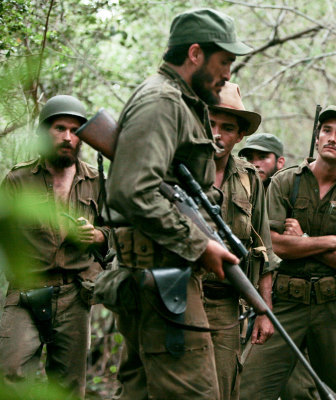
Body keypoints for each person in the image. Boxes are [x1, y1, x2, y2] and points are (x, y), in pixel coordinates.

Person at [105, 8, 251, 399]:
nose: (227, 75)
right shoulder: (163, 101)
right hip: (161, 278)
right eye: (225, 62)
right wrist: (200, 244)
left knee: (141, 390)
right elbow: (132, 190)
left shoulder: (183, 102)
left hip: (163, 276)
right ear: (195, 54)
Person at [240, 105, 336, 399]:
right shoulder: (286, 181)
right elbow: (275, 245)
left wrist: (302, 241)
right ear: (317, 137)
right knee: (249, 387)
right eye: (326, 130)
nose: (331, 138)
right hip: (286, 303)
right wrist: (330, 242)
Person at [0, 95, 108, 398]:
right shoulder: (19, 179)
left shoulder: (97, 181)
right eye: (59, 128)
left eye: (75, 130)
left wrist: (100, 236)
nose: (67, 137)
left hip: (75, 294)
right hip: (24, 291)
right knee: (11, 374)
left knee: (69, 386)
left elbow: (119, 230)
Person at [206, 81, 274, 400]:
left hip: (224, 305)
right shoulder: (176, 169)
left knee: (223, 387)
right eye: (211, 123)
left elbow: (265, 251)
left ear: (239, 135)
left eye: (227, 127)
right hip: (177, 297)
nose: (217, 133)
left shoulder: (249, 179)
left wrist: (263, 310)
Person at [239, 133, 319, 400]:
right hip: (242, 299)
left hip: (284, 301)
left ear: (279, 161)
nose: (255, 163)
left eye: (263, 157)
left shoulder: (290, 192)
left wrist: (302, 238)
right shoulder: (239, 192)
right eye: (249, 158)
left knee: (296, 388)